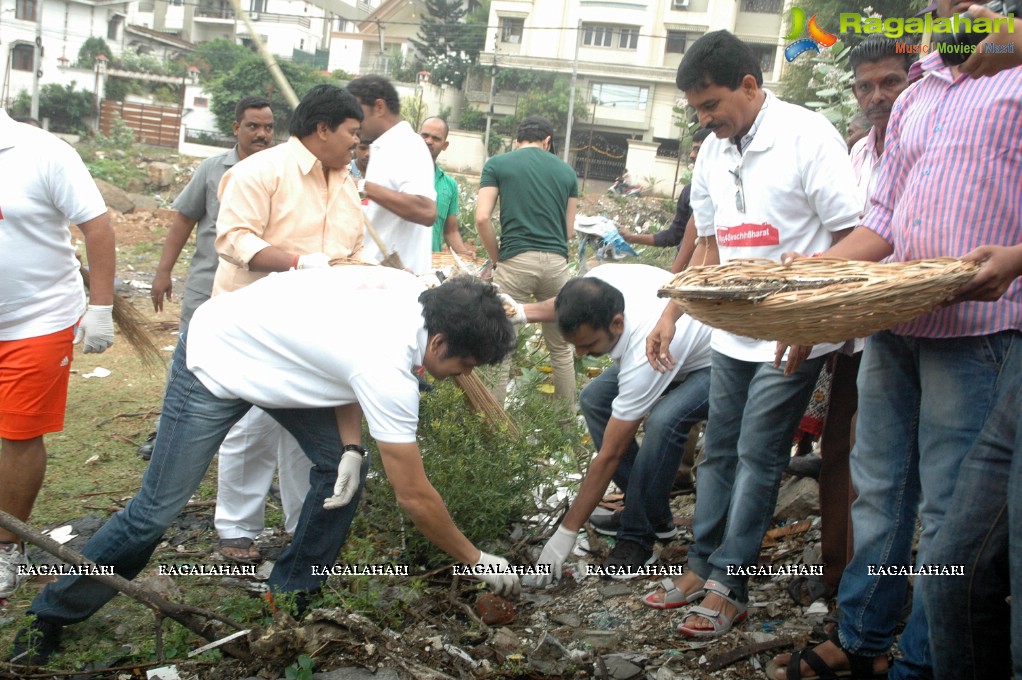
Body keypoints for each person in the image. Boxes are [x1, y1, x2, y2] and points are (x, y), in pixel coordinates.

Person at [9, 268, 521, 665]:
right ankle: (48, 616)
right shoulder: (387, 366)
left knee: (341, 472)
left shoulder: (417, 299)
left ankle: (291, 599)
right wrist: (475, 558)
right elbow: (414, 495)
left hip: (284, 361)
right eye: (465, 365)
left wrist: (350, 448)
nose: (462, 376)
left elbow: (336, 365)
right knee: (154, 512)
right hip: (220, 354)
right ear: (438, 343)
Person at [769, 0, 1022, 676]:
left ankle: (922, 659)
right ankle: (863, 637)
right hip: (896, 323)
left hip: (979, 329)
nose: (952, 8)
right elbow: (884, 218)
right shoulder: (919, 93)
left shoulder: (1018, 79)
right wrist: (818, 277)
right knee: (877, 490)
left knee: (949, 509)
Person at [643, 30, 861, 638]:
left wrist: (808, 318)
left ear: (748, 85)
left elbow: (851, 238)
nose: (705, 118)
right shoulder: (714, 153)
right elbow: (709, 250)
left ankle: (729, 584)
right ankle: (699, 566)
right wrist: (672, 311)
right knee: (719, 450)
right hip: (734, 328)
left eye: (711, 104)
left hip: (792, 334)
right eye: (696, 109)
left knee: (758, 453)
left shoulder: (807, 136)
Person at [208, 84, 370, 562]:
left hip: (315, 326)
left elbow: (352, 249)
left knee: (309, 431)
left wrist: (369, 278)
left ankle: (304, 523)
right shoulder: (260, 172)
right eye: (352, 134)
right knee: (252, 427)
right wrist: (299, 264)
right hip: (254, 323)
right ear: (323, 129)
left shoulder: (345, 180)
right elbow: (234, 239)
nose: (356, 145)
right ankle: (236, 529)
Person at [787, 35, 914, 605]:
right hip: (857, 330)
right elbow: (850, 245)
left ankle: (890, 588)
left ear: (916, 80)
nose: (877, 96)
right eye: (866, 86)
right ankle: (840, 576)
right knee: (841, 453)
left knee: (895, 466)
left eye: (890, 81)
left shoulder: (930, 146)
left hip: (921, 326)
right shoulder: (859, 156)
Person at [507, 264, 711, 581]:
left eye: (588, 345)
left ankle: (637, 541)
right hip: (667, 344)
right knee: (594, 398)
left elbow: (609, 455)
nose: (582, 354)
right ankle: (652, 514)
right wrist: (521, 311)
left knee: (664, 421)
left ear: (616, 324)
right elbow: (562, 302)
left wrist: (566, 532)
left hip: (712, 361)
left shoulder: (642, 358)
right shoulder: (599, 283)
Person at [0, 110, 115, 597]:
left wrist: (102, 308)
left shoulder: (42, 152)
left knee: (17, 433)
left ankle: (8, 545)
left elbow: (99, 227)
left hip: (36, 320)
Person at [476, 115, 579, 405]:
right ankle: (567, 426)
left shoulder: (498, 164)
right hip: (557, 264)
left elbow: (482, 217)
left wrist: (498, 259)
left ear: (517, 139)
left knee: (502, 347)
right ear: (548, 141)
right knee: (560, 349)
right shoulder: (567, 173)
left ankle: (493, 426)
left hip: (516, 261)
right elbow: (569, 230)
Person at [346, 75, 436, 275]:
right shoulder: (381, 147)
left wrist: (362, 186)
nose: (352, 119)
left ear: (379, 107)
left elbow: (426, 211)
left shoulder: (407, 146)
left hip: (400, 281)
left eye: (356, 110)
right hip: (378, 277)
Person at [419, 116, 473, 258]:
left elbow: (451, 231)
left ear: (445, 145)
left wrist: (464, 253)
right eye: (424, 135)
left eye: (436, 138)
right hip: (398, 263)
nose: (428, 141)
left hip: (430, 263)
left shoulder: (449, 185)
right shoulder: (400, 173)